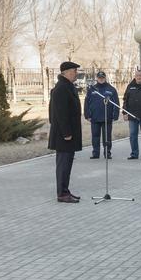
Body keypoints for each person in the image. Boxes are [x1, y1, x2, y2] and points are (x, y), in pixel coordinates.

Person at [48, 61, 83, 203]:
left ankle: (65, 190)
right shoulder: (61, 88)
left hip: (68, 134)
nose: (76, 73)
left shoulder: (67, 86)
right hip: (64, 136)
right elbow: (59, 114)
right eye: (74, 71)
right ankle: (62, 194)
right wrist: (66, 133)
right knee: (63, 165)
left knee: (67, 164)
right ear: (67, 72)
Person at [83, 70, 119, 159]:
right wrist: (87, 115)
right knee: (95, 136)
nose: (101, 79)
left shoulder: (111, 89)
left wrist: (115, 115)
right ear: (97, 78)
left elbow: (116, 103)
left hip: (107, 117)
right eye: (99, 78)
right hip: (94, 117)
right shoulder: (92, 89)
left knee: (107, 137)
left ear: (105, 78)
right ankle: (95, 153)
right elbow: (86, 103)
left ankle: (107, 153)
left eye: (102, 78)